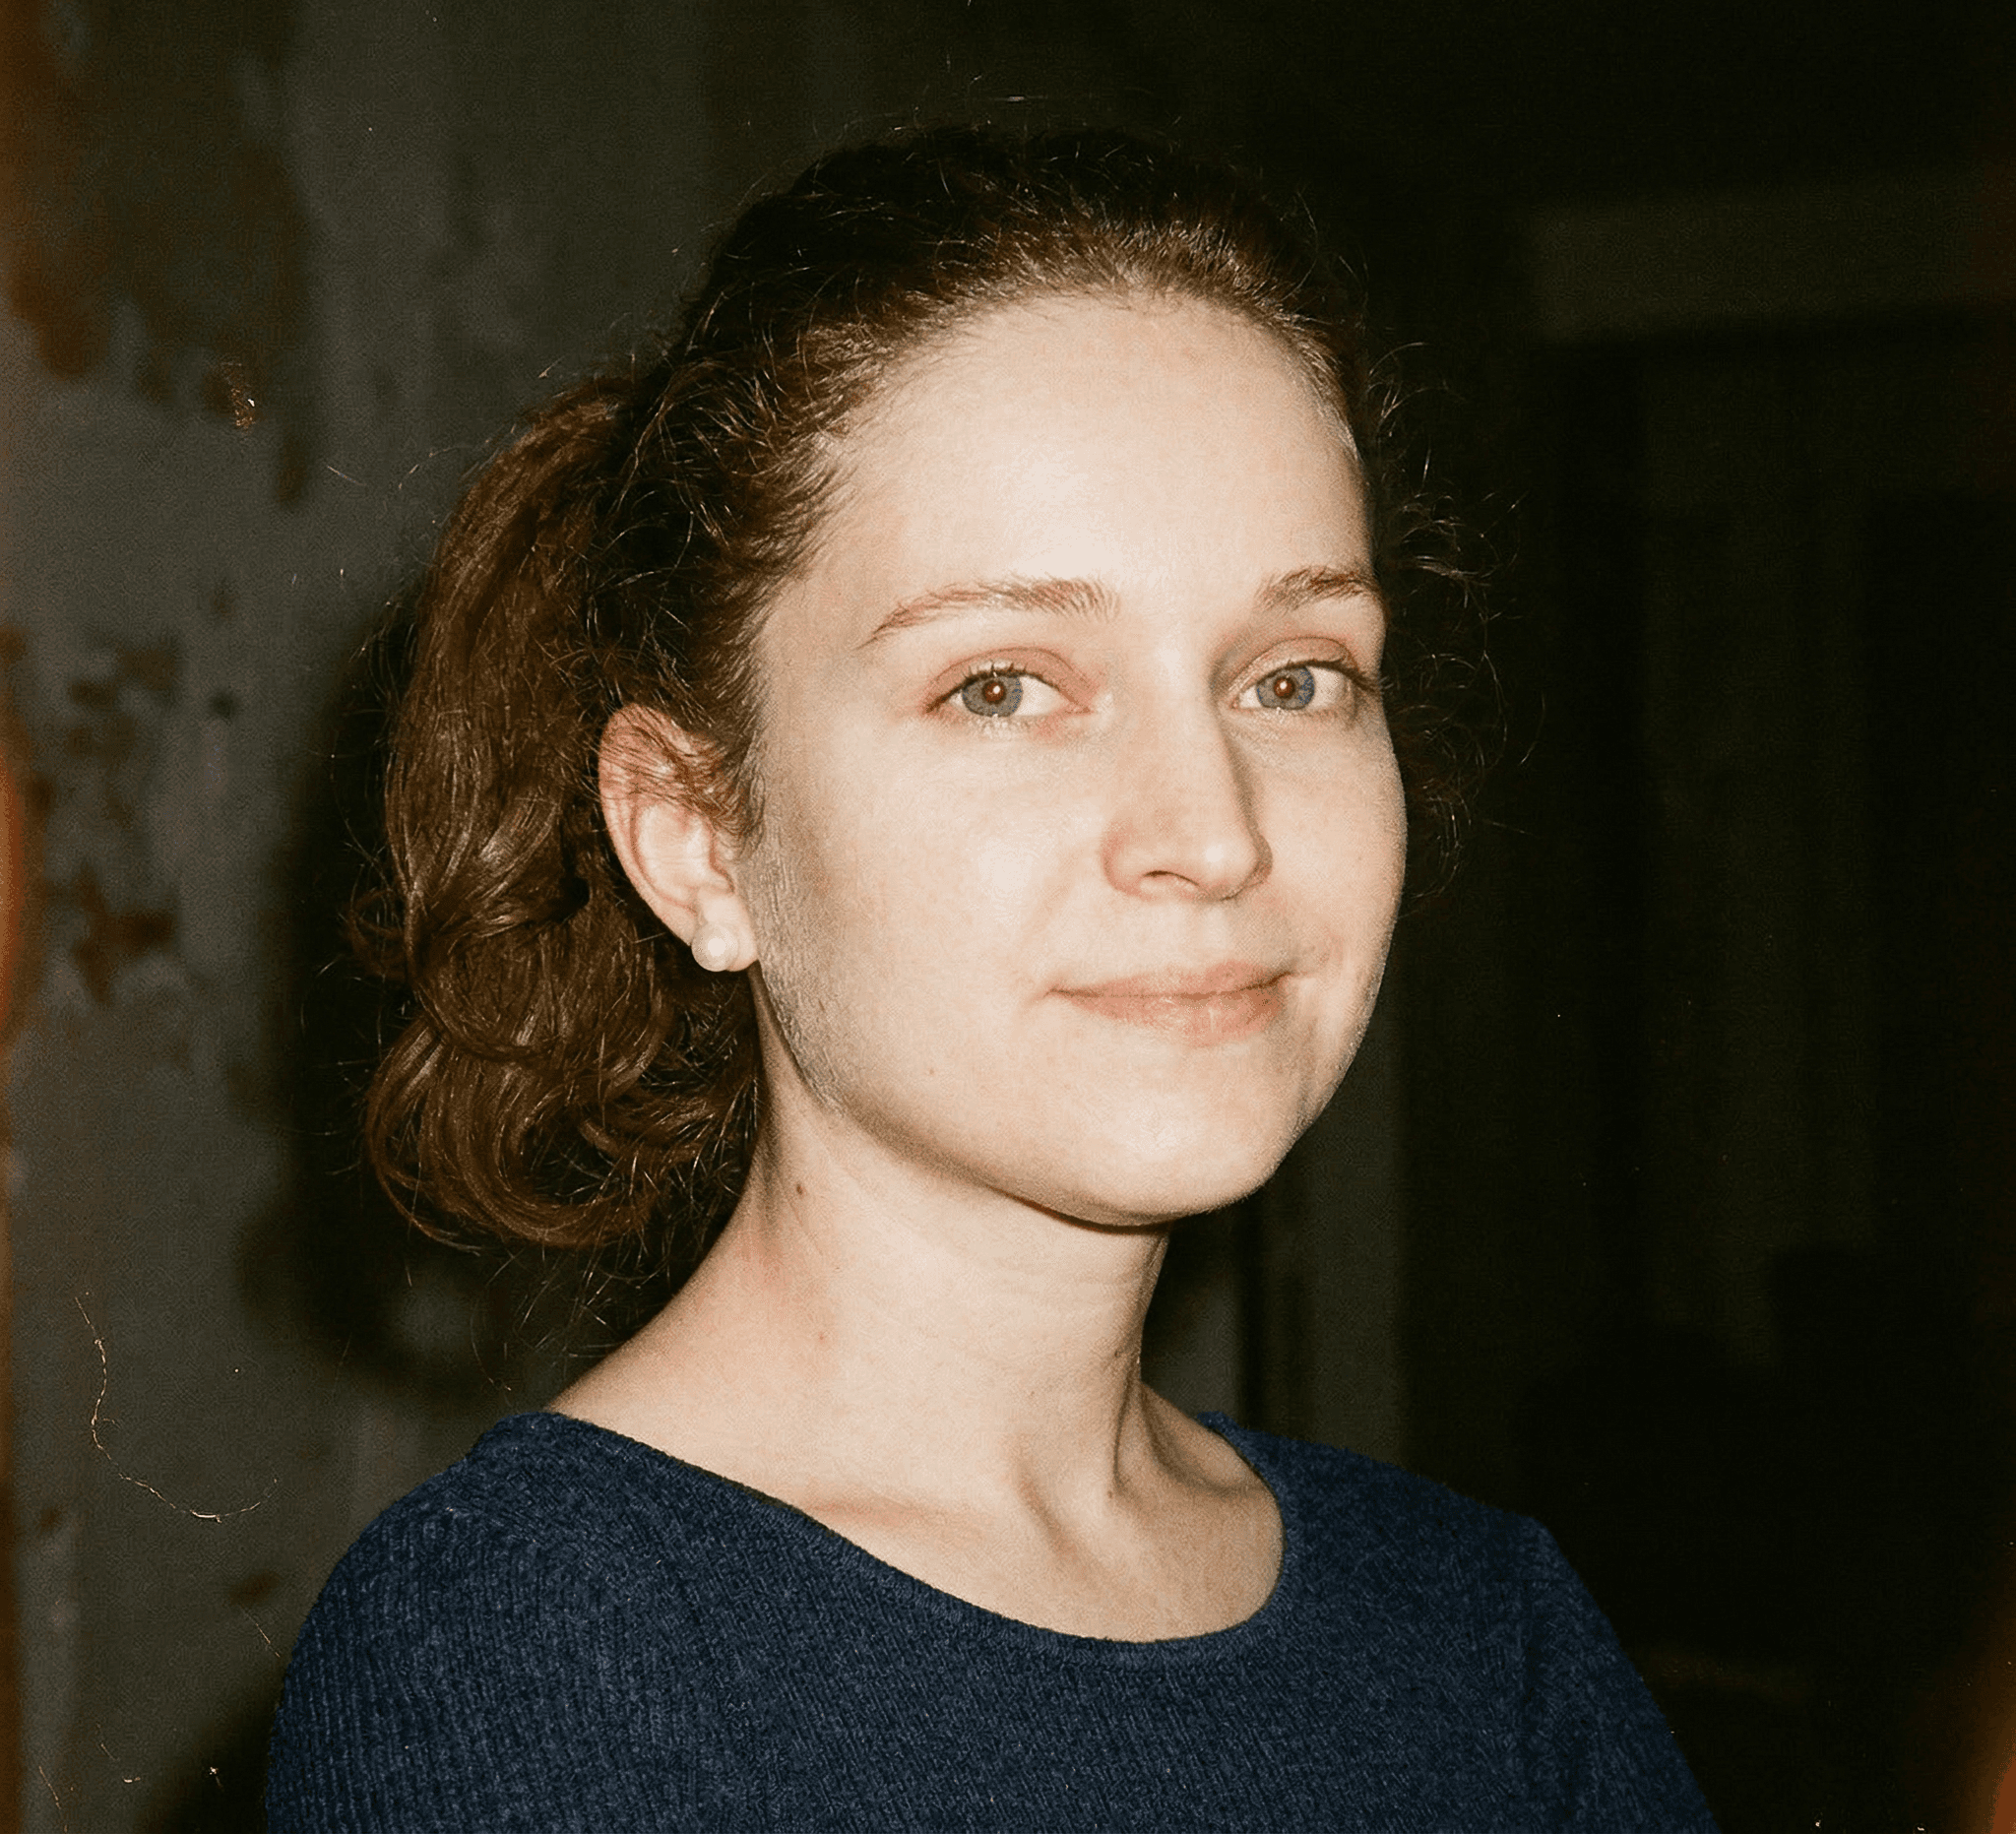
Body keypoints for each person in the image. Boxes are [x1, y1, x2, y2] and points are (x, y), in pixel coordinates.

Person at [265, 126, 1717, 1829]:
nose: (1214, 834)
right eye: (1004, 687)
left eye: (1296, 678)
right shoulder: (525, 1656)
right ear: (697, 837)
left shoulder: (1486, 1627)